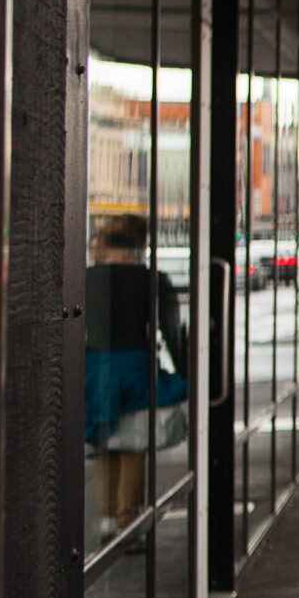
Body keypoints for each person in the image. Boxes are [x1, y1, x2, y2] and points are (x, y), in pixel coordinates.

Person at [83, 213, 188, 534]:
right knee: (132, 446)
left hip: (96, 368)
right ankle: (129, 520)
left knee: (105, 442)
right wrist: (186, 372)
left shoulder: (86, 278)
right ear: (141, 244)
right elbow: (171, 332)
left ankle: (107, 519)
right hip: (134, 369)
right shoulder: (152, 280)